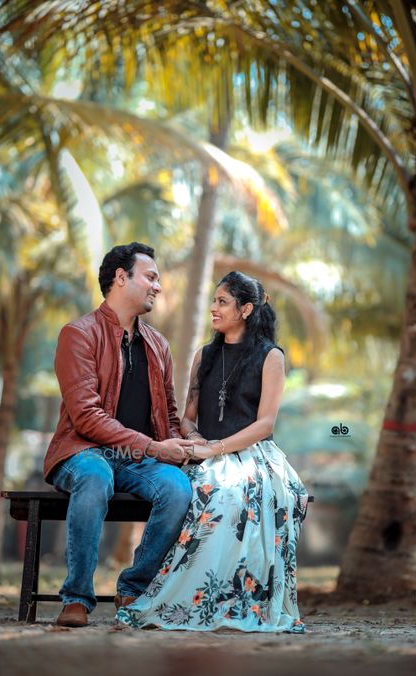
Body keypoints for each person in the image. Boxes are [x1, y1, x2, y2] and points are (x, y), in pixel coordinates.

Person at [116, 271, 309, 633]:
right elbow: (187, 418)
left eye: (222, 302)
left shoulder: (271, 357)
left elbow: (265, 424)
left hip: (252, 454)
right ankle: (174, 595)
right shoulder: (203, 356)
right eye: (214, 301)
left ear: (246, 309)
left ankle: (230, 598)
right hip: (202, 449)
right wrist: (195, 441)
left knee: (230, 494)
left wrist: (216, 449)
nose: (213, 308)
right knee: (188, 490)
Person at [44, 242, 194, 627]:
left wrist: (183, 445)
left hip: (137, 460)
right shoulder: (78, 334)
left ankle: (133, 587)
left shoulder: (158, 344)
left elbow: (169, 414)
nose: (158, 286)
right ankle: (77, 598)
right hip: (82, 452)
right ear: (121, 278)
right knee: (95, 476)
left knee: (178, 488)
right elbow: (86, 417)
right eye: (150, 277)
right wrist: (154, 447)